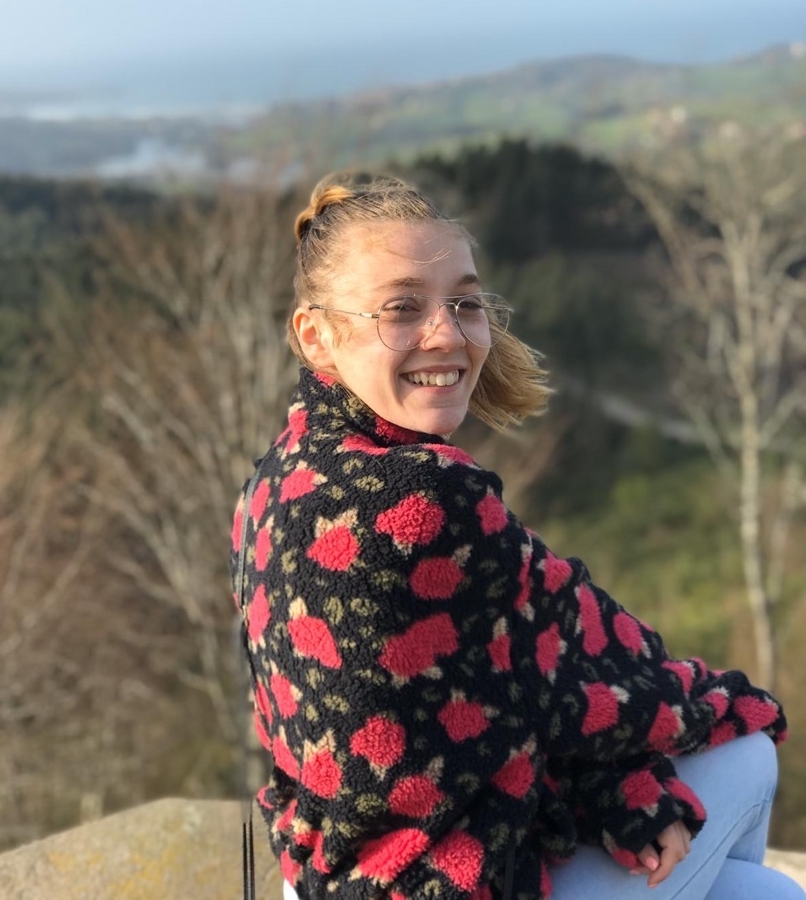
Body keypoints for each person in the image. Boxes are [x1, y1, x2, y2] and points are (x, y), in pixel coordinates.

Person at [230, 172, 804, 900]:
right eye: (402, 308)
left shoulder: (275, 478)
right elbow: (602, 667)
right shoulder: (427, 495)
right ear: (316, 335)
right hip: (443, 880)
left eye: (465, 303)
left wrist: (613, 778)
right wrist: (714, 714)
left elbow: (510, 691)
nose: (447, 333)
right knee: (747, 748)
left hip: (332, 872)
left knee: (762, 893)